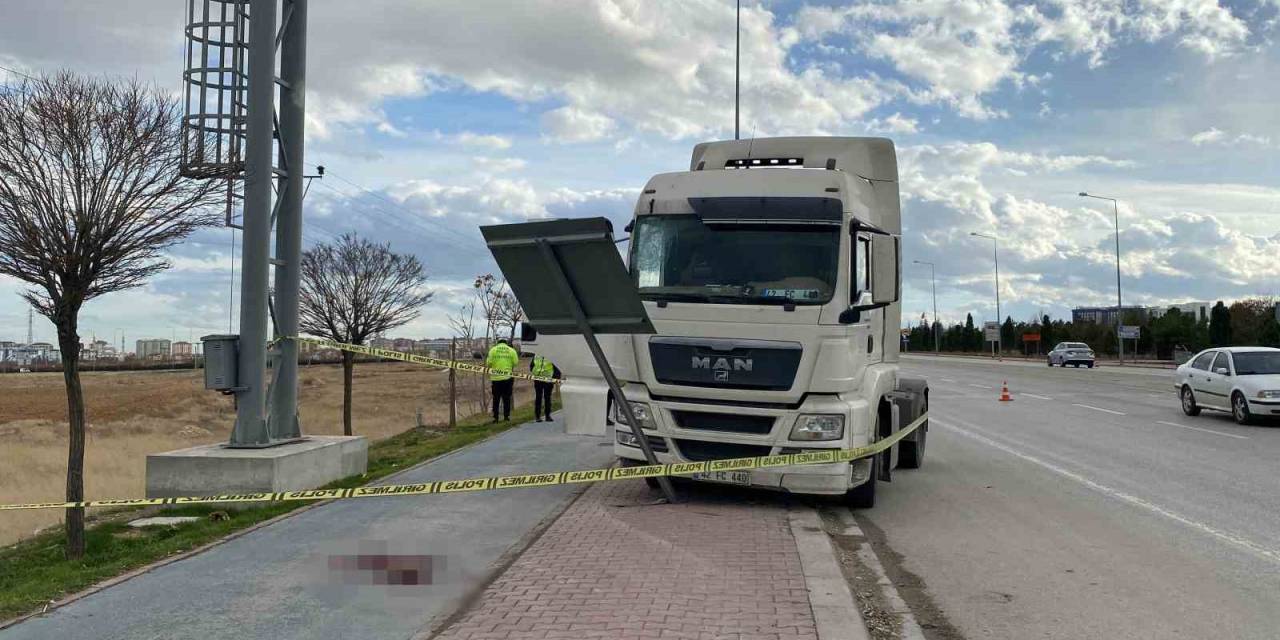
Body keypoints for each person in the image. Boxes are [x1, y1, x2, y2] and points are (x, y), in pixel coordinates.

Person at [485, 338, 518, 423]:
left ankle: (495, 418)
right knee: (506, 398)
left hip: (496, 379)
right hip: (508, 378)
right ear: (506, 343)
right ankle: (506, 417)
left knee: (496, 399)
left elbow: (488, 363)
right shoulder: (511, 350)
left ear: (498, 343)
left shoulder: (493, 350)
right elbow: (515, 363)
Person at [530, 353, 559, 422]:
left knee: (544, 397)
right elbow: (532, 366)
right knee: (542, 397)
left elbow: (556, 368)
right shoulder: (538, 355)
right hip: (539, 379)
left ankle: (543, 416)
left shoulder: (538, 354)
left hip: (546, 380)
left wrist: (554, 379)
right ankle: (542, 416)